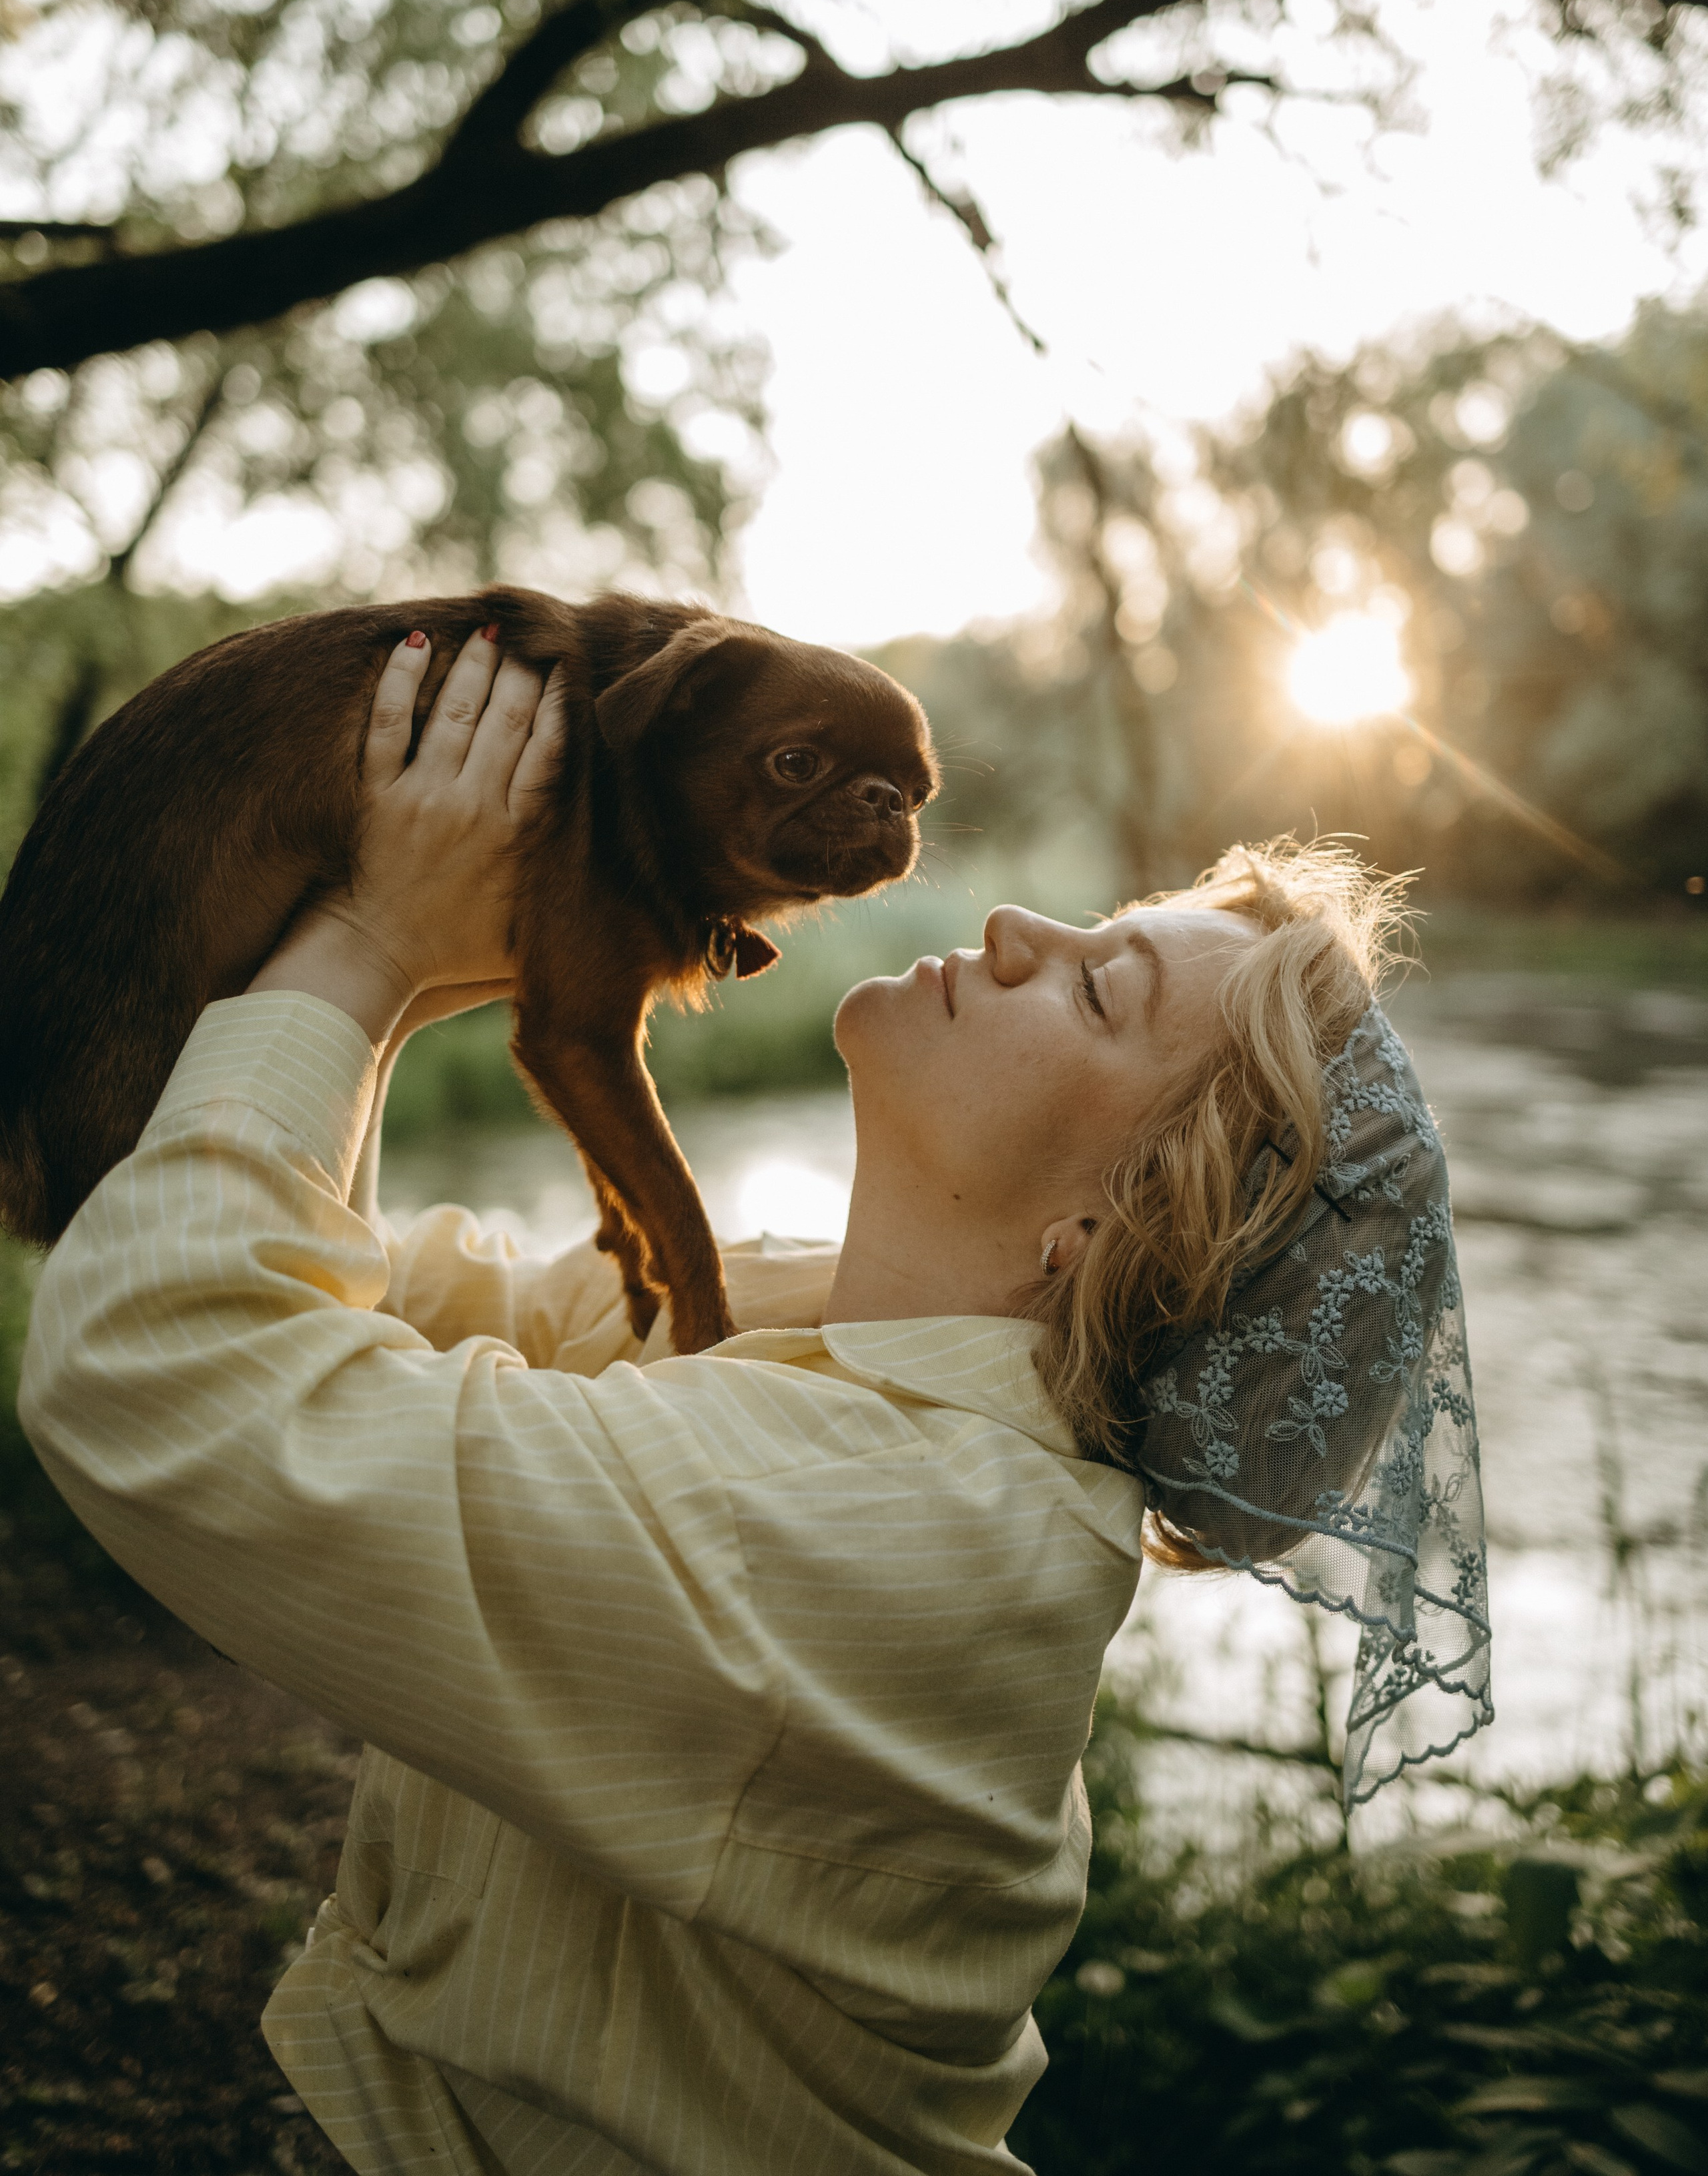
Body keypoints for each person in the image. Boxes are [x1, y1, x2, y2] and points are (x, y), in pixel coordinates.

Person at [19, 629, 1489, 2176]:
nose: (1008, 926)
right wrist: (410, 949)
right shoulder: (827, 1329)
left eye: (1096, 986)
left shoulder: (886, 1530)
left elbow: (163, 1358)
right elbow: (351, 1306)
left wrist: (373, 945)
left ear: (1107, 1231)